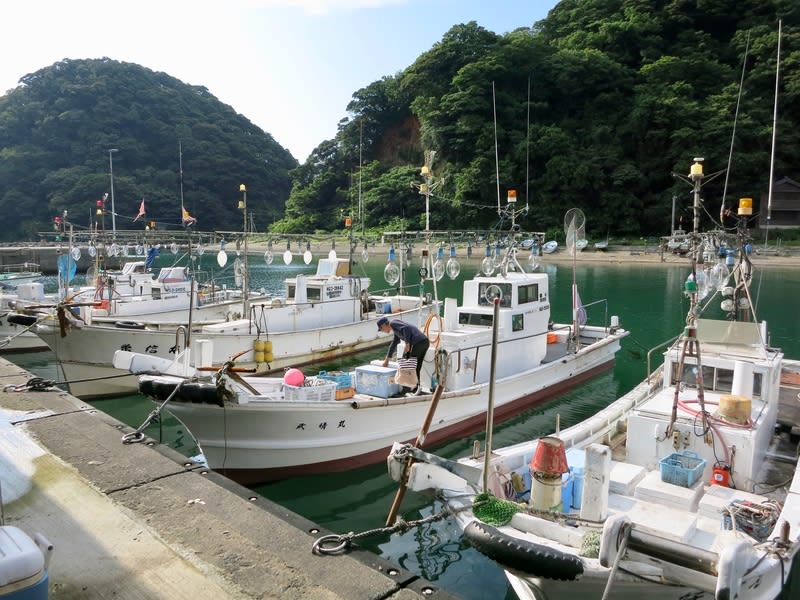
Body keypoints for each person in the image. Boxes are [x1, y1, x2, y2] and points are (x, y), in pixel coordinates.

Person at [377, 316, 430, 395]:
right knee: (416, 366)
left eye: (381, 329)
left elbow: (406, 328)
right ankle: (416, 388)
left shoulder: (393, 323)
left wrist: (407, 343)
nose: (383, 331)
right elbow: (393, 343)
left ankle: (408, 389)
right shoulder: (395, 330)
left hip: (419, 343)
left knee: (409, 366)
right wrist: (387, 359)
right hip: (424, 342)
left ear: (383, 325)